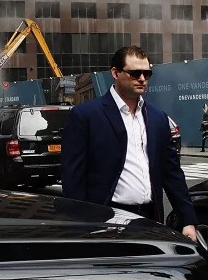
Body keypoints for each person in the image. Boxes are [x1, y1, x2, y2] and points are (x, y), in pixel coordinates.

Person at [61, 45, 197, 241]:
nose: (142, 78)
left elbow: (172, 172)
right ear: (115, 73)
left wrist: (188, 221)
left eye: (147, 73)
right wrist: (82, 225)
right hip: (106, 220)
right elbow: (73, 177)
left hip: (150, 218)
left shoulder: (158, 118)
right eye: (135, 73)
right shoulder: (86, 115)